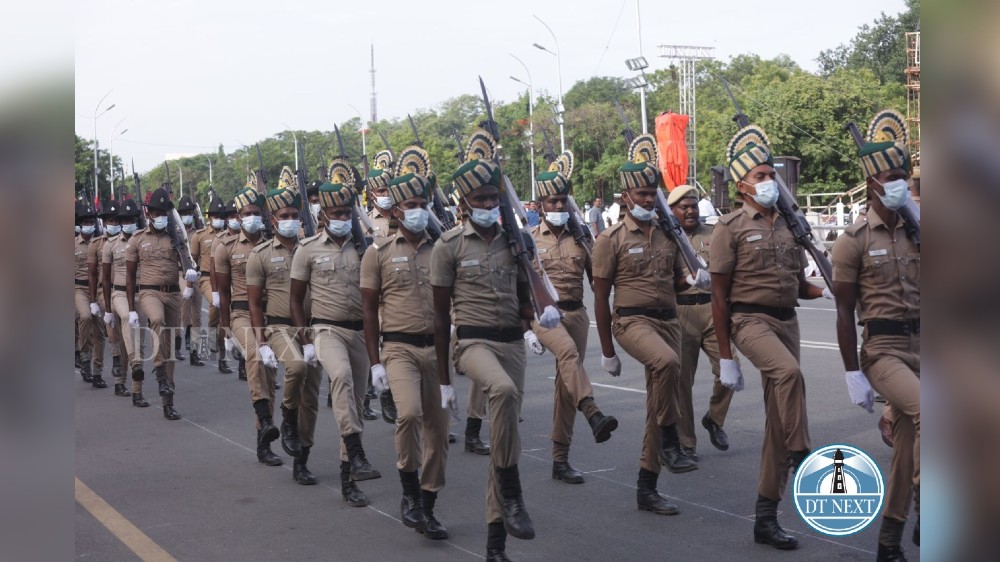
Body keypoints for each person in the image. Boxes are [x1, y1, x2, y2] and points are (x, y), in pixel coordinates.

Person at [708, 124, 831, 550]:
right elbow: (719, 297)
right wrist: (726, 356)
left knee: (778, 421)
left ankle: (765, 516)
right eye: (760, 176)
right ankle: (802, 453)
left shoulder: (789, 225)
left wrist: (831, 287)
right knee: (790, 373)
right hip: (749, 321)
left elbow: (799, 285)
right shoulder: (730, 227)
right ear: (741, 184)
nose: (768, 182)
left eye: (770, 175)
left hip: (786, 321)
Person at [431, 155, 538, 561]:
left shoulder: (516, 240)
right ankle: (513, 492)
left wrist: (535, 317)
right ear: (465, 203)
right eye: (482, 198)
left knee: (504, 439)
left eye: (495, 198)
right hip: (473, 344)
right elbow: (441, 318)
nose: (490, 204)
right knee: (503, 390)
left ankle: (496, 546)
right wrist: (444, 380)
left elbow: (527, 297)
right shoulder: (449, 246)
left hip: (512, 343)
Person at [592, 139, 706, 517]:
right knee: (668, 363)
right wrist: (607, 350)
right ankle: (672, 440)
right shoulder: (611, 239)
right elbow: (600, 295)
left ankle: (647, 485)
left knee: (659, 403)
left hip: (668, 319)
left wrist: (692, 281)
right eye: (642, 193)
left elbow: (675, 282)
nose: (649, 199)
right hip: (631, 320)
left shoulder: (668, 234)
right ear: (626, 197)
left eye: (653, 193)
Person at [831, 109, 920, 562]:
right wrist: (853, 372)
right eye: (892, 176)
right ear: (872, 184)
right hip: (884, 350)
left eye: (904, 174)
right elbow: (844, 313)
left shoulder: (922, 230)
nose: (901, 183)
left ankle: (889, 543)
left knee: (908, 450)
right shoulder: (853, 240)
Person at [361, 171, 450, 539]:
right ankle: (410, 494)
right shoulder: (377, 252)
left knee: (439, 432)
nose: (418, 212)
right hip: (398, 347)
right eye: (411, 206)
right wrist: (375, 363)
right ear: (396, 211)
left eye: (423, 206)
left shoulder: (443, 249)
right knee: (409, 413)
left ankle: (427, 507)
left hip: (437, 348)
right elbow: (368, 310)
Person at [291, 175, 382, 508]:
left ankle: (349, 478)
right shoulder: (307, 249)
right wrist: (306, 339)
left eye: (347, 212)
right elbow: (296, 300)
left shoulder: (367, 248)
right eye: (336, 213)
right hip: (326, 329)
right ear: (322, 216)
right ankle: (357, 452)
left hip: (360, 332)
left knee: (355, 402)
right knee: (339, 376)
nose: (343, 219)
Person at [531, 169, 618, 484]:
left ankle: (560, 460)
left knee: (567, 386)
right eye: (552, 201)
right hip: (543, 314)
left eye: (562, 201)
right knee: (568, 355)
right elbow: (521, 286)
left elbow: (599, 283)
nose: (558, 207)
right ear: (541, 205)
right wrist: (528, 328)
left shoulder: (581, 238)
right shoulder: (530, 239)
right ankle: (593, 411)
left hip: (576, 314)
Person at [247, 173, 323, 484]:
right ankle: (287, 417)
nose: (291, 220)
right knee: (296, 366)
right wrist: (261, 339)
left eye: (295, 215)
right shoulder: (260, 254)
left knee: (312, 399)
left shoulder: (313, 248)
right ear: (273, 219)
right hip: (279, 327)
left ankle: (301, 459)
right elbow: (253, 302)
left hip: (315, 328)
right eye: (285, 216)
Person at [215, 183, 283, 466]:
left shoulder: (273, 243)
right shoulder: (226, 247)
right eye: (247, 212)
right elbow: (223, 294)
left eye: (257, 212)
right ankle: (265, 417)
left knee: (269, 374)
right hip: (242, 313)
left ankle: (263, 437)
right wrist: (226, 330)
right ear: (239, 216)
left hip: (271, 314)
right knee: (256, 355)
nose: (252, 216)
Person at [667, 185, 734, 460]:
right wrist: (686, 281)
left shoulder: (714, 233)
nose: (691, 210)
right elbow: (664, 283)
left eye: (694, 205)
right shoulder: (666, 238)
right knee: (683, 383)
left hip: (712, 310)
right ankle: (687, 442)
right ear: (672, 211)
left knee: (731, 371)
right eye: (684, 207)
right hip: (681, 314)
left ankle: (714, 419)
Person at [125, 187, 200, 420]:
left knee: (169, 347)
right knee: (156, 320)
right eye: (156, 212)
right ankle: (159, 373)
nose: (160, 216)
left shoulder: (176, 236)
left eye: (164, 212)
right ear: (148, 214)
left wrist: (190, 272)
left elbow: (187, 262)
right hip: (149, 293)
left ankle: (168, 399)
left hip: (173, 294)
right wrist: (130, 309)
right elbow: (129, 276)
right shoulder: (138, 240)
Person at [103, 199, 146, 402]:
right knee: (129, 320)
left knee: (137, 339)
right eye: (125, 219)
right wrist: (107, 310)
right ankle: (135, 363)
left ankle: (134, 389)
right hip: (119, 293)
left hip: (140, 293)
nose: (128, 222)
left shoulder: (143, 241)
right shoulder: (110, 245)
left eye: (131, 219)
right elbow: (104, 278)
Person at [189, 192, 230, 372]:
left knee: (227, 316)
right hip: (205, 277)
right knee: (215, 304)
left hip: (226, 278)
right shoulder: (199, 236)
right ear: (209, 218)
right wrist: (189, 285)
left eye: (221, 216)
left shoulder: (230, 235)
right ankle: (211, 333)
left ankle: (222, 357)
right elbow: (192, 262)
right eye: (215, 216)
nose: (218, 219)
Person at [90, 199, 125, 393]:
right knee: (108, 328)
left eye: (115, 220)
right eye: (109, 221)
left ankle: (122, 379)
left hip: (123, 291)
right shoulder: (96, 245)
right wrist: (94, 300)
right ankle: (108, 364)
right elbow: (93, 274)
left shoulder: (126, 242)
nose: (113, 224)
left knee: (123, 333)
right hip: (105, 291)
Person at [75, 200, 107, 387]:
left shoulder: (100, 244)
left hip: (99, 289)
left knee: (100, 331)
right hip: (79, 288)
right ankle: (84, 356)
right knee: (86, 316)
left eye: (91, 222)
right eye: (85, 222)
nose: (88, 225)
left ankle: (97, 371)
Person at [176, 195, 204, 365]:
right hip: (181, 274)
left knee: (198, 316)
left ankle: (195, 352)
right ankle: (183, 337)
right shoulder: (176, 232)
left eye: (189, 212)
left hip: (197, 274)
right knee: (184, 307)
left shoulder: (198, 232)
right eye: (184, 213)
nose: (187, 215)